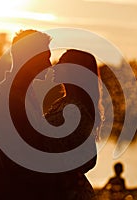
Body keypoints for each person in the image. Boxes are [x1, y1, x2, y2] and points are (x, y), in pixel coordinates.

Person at [0, 29, 55, 199]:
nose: (50, 64)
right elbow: (19, 163)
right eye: (45, 57)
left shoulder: (25, 95)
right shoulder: (8, 99)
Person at [44, 49, 104, 199]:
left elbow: (89, 158)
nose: (55, 66)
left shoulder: (75, 109)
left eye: (62, 63)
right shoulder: (62, 102)